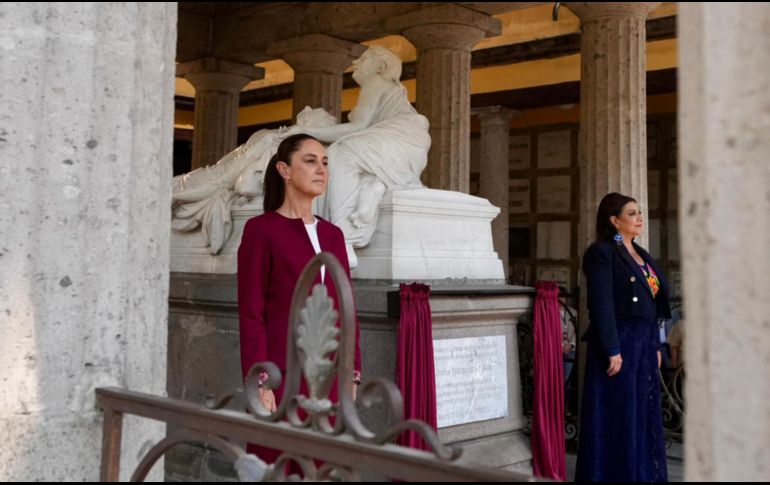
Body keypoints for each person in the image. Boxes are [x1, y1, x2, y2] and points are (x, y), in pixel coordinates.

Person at [237, 133, 362, 462]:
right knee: (279, 461)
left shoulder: (333, 234)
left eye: (324, 162)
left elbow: (346, 308)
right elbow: (251, 314)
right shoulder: (261, 230)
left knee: (326, 463)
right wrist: (261, 381)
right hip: (280, 371)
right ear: (284, 169)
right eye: (310, 161)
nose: (321, 169)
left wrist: (353, 371)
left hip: (330, 372)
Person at [284, 45, 431, 259]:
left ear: (381, 66)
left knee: (340, 154)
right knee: (343, 154)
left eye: (363, 58)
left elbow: (358, 127)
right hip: (408, 147)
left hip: (400, 137)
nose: (356, 63)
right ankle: (373, 184)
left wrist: (305, 131)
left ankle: (344, 237)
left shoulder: (376, 80)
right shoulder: (386, 87)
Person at [575, 192, 671, 482]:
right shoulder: (603, 252)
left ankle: (639, 474)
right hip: (619, 341)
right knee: (617, 414)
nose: (639, 217)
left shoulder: (641, 254)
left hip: (643, 342)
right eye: (631, 213)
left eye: (639, 212)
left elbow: (653, 305)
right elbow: (602, 304)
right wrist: (612, 348)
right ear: (614, 221)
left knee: (641, 412)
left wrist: (656, 344)